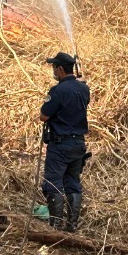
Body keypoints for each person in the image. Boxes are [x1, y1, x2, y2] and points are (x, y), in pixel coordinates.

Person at [38, 52, 90, 232]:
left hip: (60, 145)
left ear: (60, 69)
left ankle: (55, 226)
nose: (53, 70)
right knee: (73, 182)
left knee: (53, 183)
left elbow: (44, 116)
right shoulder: (84, 89)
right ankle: (72, 225)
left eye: (54, 67)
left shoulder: (58, 91)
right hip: (78, 144)